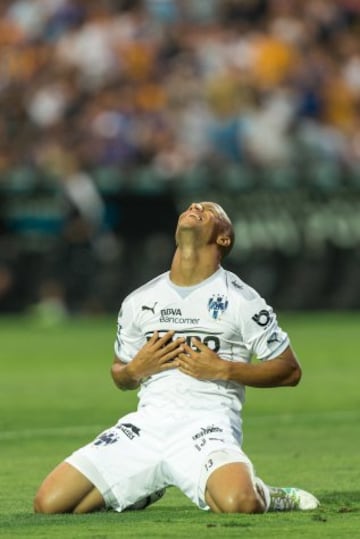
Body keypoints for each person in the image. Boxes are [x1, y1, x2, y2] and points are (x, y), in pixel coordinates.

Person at [34, 201, 320, 514]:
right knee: (50, 504)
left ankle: (271, 495)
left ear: (223, 238)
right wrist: (135, 370)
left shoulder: (242, 301)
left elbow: (290, 370)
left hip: (206, 425)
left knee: (240, 503)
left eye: (210, 211)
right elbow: (120, 375)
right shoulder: (139, 301)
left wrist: (223, 369)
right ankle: (146, 486)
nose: (196, 206)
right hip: (146, 427)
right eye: (193, 206)